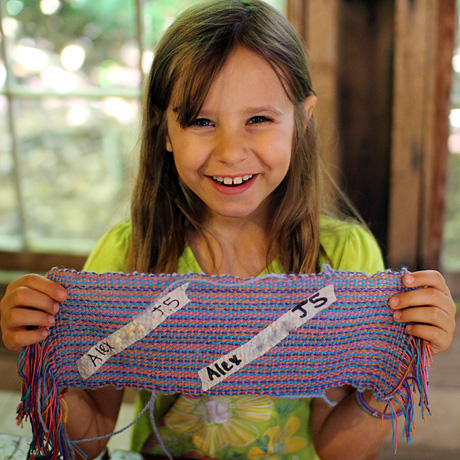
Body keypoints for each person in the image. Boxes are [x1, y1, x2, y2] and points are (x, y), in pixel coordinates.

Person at [0, 1, 456, 459]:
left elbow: (337, 449)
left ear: (301, 119)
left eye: (258, 119)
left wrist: (404, 361)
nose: (230, 151)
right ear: (164, 130)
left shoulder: (342, 261)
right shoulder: (129, 256)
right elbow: (90, 440)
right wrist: (44, 356)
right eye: (201, 121)